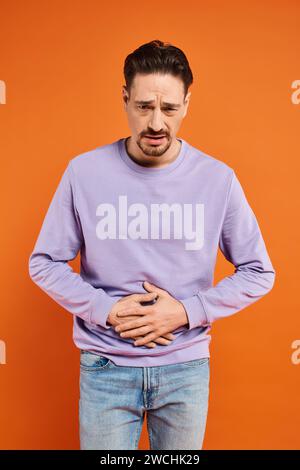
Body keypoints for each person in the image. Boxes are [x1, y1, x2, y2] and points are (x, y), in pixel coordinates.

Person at [28, 39, 276, 450]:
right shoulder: (83, 173)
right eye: (144, 107)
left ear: (187, 104)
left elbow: (259, 271)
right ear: (125, 98)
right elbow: (44, 262)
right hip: (105, 367)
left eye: (169, 108)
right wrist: (105, 310)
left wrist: (185, 311)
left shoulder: (218, 179)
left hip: (185, 369)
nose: (156, 123)